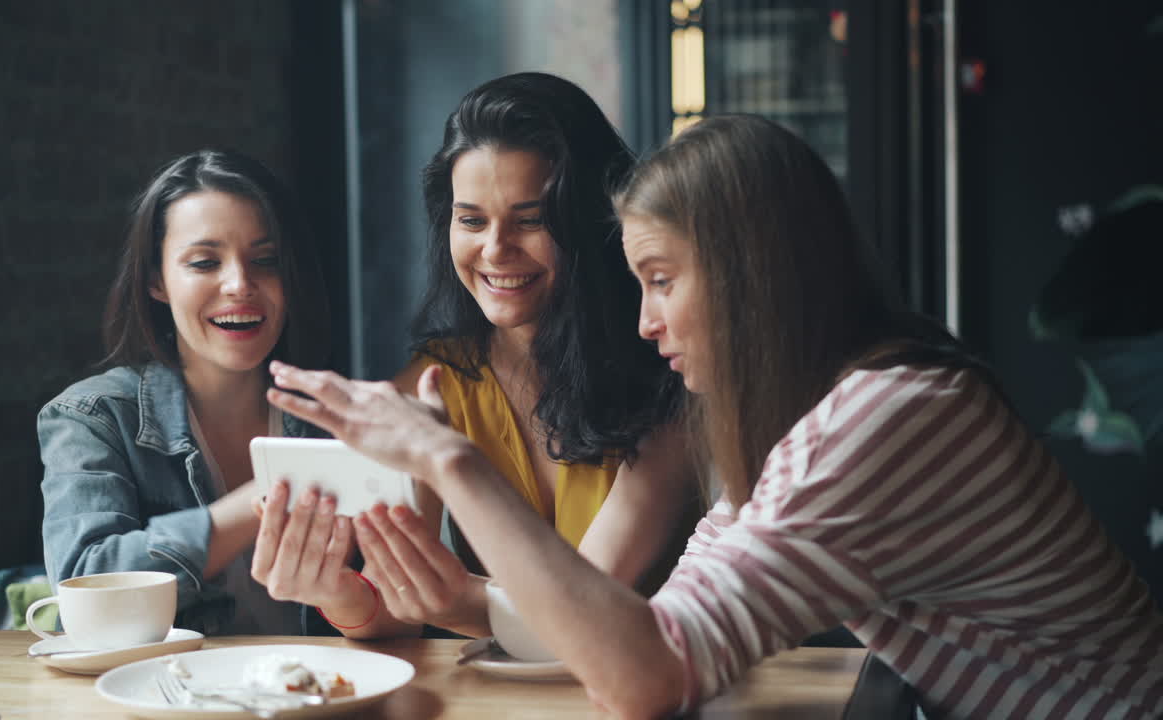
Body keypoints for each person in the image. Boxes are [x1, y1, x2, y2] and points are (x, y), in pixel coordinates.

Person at [263, 115, 1163, 719]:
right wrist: (444, 594)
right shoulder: (803, 420)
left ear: (751, 278)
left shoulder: (887, 418)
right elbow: (639, 629)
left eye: (661, 281)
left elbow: (647, 677)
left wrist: (454, 466)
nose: (645, 322)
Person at [249, 72, 699, 639]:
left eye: (531, 220)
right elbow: (394, 615)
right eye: (472, 220)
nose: (494, 249)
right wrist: (335, 591)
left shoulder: (668, 375)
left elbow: (587, 608)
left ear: (589, 221)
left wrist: (444, 596)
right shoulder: (436, 381)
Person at [39, 149, 336, 636]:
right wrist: (262, 499)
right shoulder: (94, 416)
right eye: (204, 262)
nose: (239, 284)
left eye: (265, 261)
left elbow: (394, 608)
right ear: (156, 279)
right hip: (169, 683)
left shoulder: (335, 419)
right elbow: (86, 583)